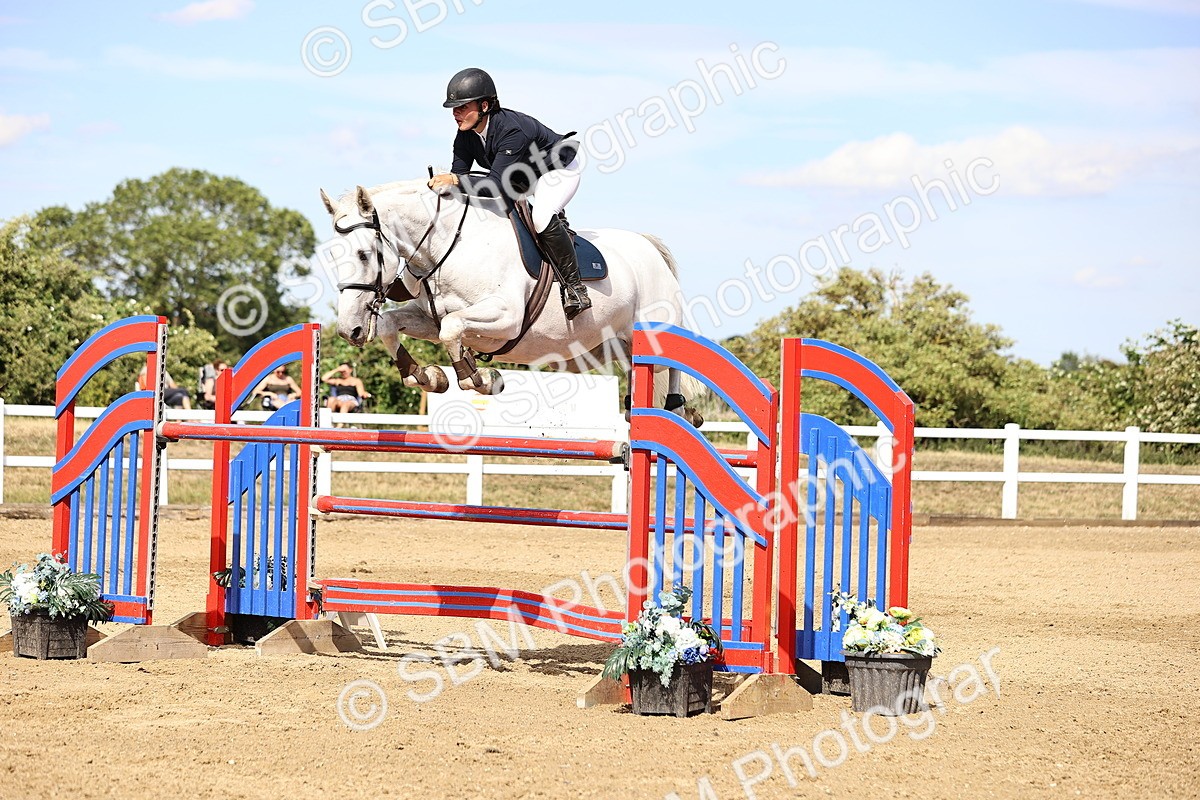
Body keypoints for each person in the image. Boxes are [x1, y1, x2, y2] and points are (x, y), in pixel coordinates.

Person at [427, 67, 591, 320]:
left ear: (484, 105)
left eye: (462, 106)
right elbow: (459, 180)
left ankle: (575, 289)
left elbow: (493, 186)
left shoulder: (512, 130)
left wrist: (456, 180)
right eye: (453, 108)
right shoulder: (464, 136)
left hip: (556, 169)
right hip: (521, 174)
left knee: (542, 217)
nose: (456, 113)